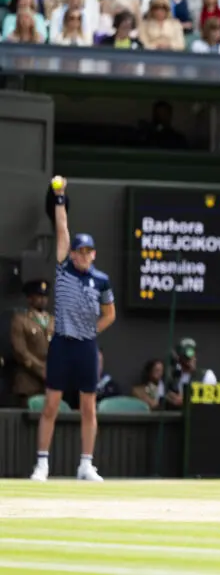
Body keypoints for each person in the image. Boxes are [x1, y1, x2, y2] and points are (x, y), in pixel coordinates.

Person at [31, 176, 116, 482]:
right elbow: (62, 225)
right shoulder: (63, 267)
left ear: (93, 254)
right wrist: (60, 195)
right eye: (78, 251)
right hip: (62, 345)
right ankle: (42, 463)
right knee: (51, 404)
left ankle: (85, 464)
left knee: (88, 406)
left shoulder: (102, 280)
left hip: (85, 346)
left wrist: (93, 331)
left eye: (87, 251)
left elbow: (110, 314)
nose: (81, 255)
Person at [9, 279, 54, 407]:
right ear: (30, 299)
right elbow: (20, 351)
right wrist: (41, 369)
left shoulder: (53, 321)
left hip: (51, 382)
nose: (43, 299)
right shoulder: (21, 320)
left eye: (45, 296)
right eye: (39, 296)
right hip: (28, 383)